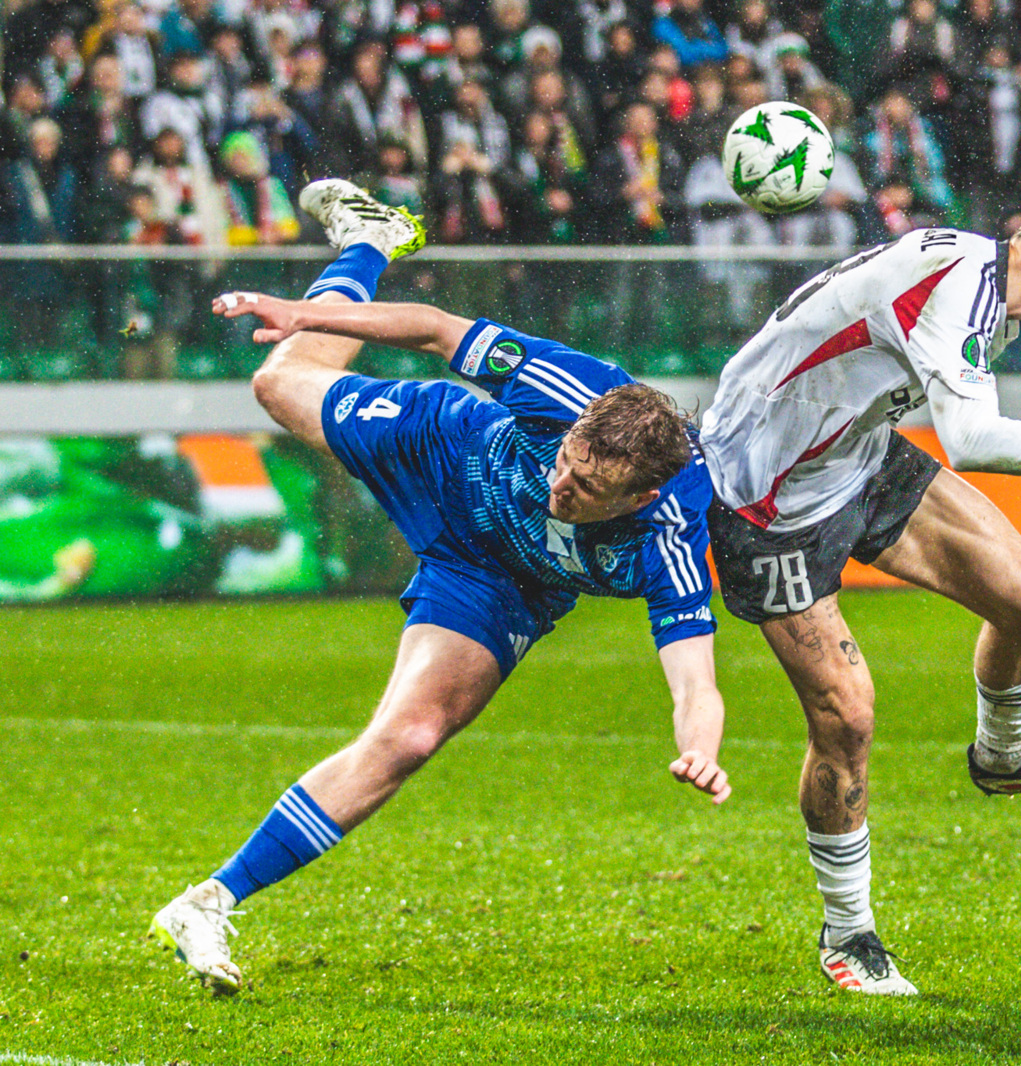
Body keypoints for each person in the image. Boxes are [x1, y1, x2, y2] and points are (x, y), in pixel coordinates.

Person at [149, 180, 731, 993]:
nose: (561, 484)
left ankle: (207, 900)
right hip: (444, 450)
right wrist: (301, 313)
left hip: (498, 580)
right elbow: (432, 329)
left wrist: (698, 751)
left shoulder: (668, 534)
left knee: (410, 739)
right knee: (275, 384)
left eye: (583, 490)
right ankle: (369, 241)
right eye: (564, 462)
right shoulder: (571, 389)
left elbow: (695, 678)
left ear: (637, 498)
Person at [698, 167, 1021, 994]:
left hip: (855, 456)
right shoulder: (960, 287)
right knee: (848, 717)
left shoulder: (990, 289)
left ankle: (1004, 757)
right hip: (766, 493)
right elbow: (970, 440)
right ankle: (848, 934)